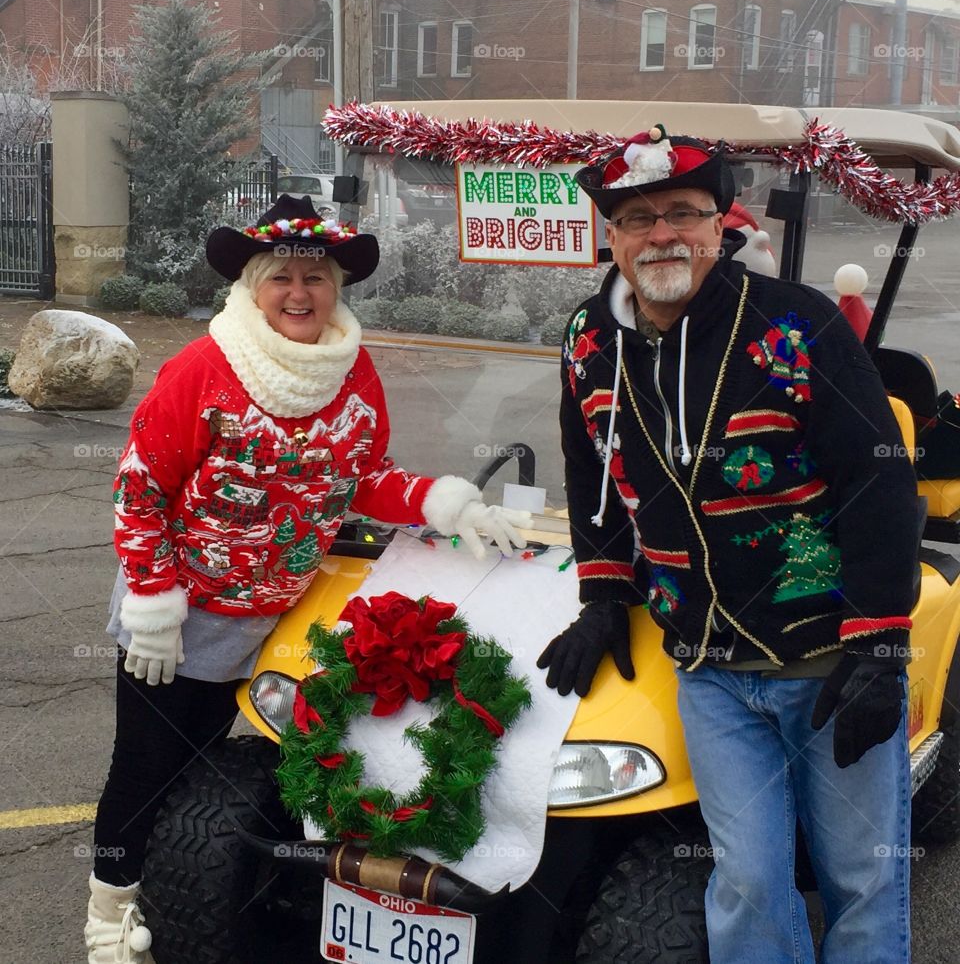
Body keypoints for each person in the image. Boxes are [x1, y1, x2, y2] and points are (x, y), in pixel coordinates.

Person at [85, 194, 532, 963]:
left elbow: (365, 477)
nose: (300, 293)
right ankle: (108, 917)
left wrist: (443, 500)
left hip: (272, 616)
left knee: (202, 774)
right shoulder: (206, 366)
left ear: (337, 289)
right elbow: (139, 487)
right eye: (282, 277)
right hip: (180, 616)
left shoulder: (352, 372)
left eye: (316, 278)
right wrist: (156, 599)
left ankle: (178, 889)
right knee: (146, 771)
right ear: (253, 287)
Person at [537, 128, 918, 963]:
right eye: (638, 217)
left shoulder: (797, 324)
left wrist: (879, 647)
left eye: (683, 212)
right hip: (706, 670)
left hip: (827, 660)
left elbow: (880, 484)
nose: (662, 233)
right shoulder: (585, 342)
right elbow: (586, 468)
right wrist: (604, 594)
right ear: (612, 236)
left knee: (864, 877)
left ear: (719, 226)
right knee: (746, 878)